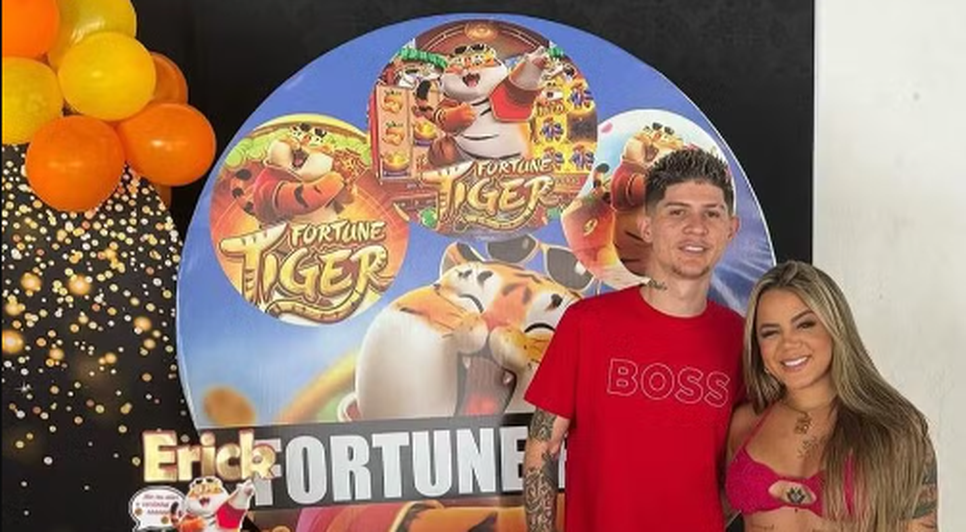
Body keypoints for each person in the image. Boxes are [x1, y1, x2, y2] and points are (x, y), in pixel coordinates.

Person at [523, 148, 744, 531]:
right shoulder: (587, 324)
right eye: (677, 212)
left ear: (731, 229)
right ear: (646, 227)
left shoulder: (742, 340)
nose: (696, 227)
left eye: (712, 213)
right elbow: (543, 446)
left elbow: (751, 463)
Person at [725, 261, 938, 531]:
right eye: (770, 333)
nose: (788, 343)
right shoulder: (744, 424)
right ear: (758, 347)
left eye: (804, 325)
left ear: (835, 329)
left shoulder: (892, 429)